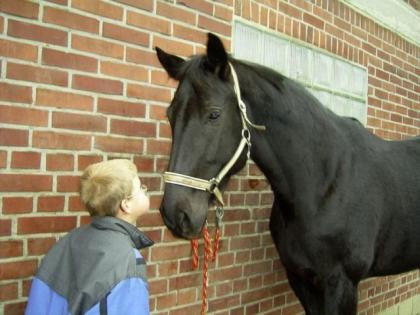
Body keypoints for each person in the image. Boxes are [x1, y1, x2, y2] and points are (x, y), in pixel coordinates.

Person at [25, 159, 154, 315]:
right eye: (140, 187)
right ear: (126, 204)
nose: (145, 189)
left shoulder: (67, 242)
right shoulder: (128, 260)